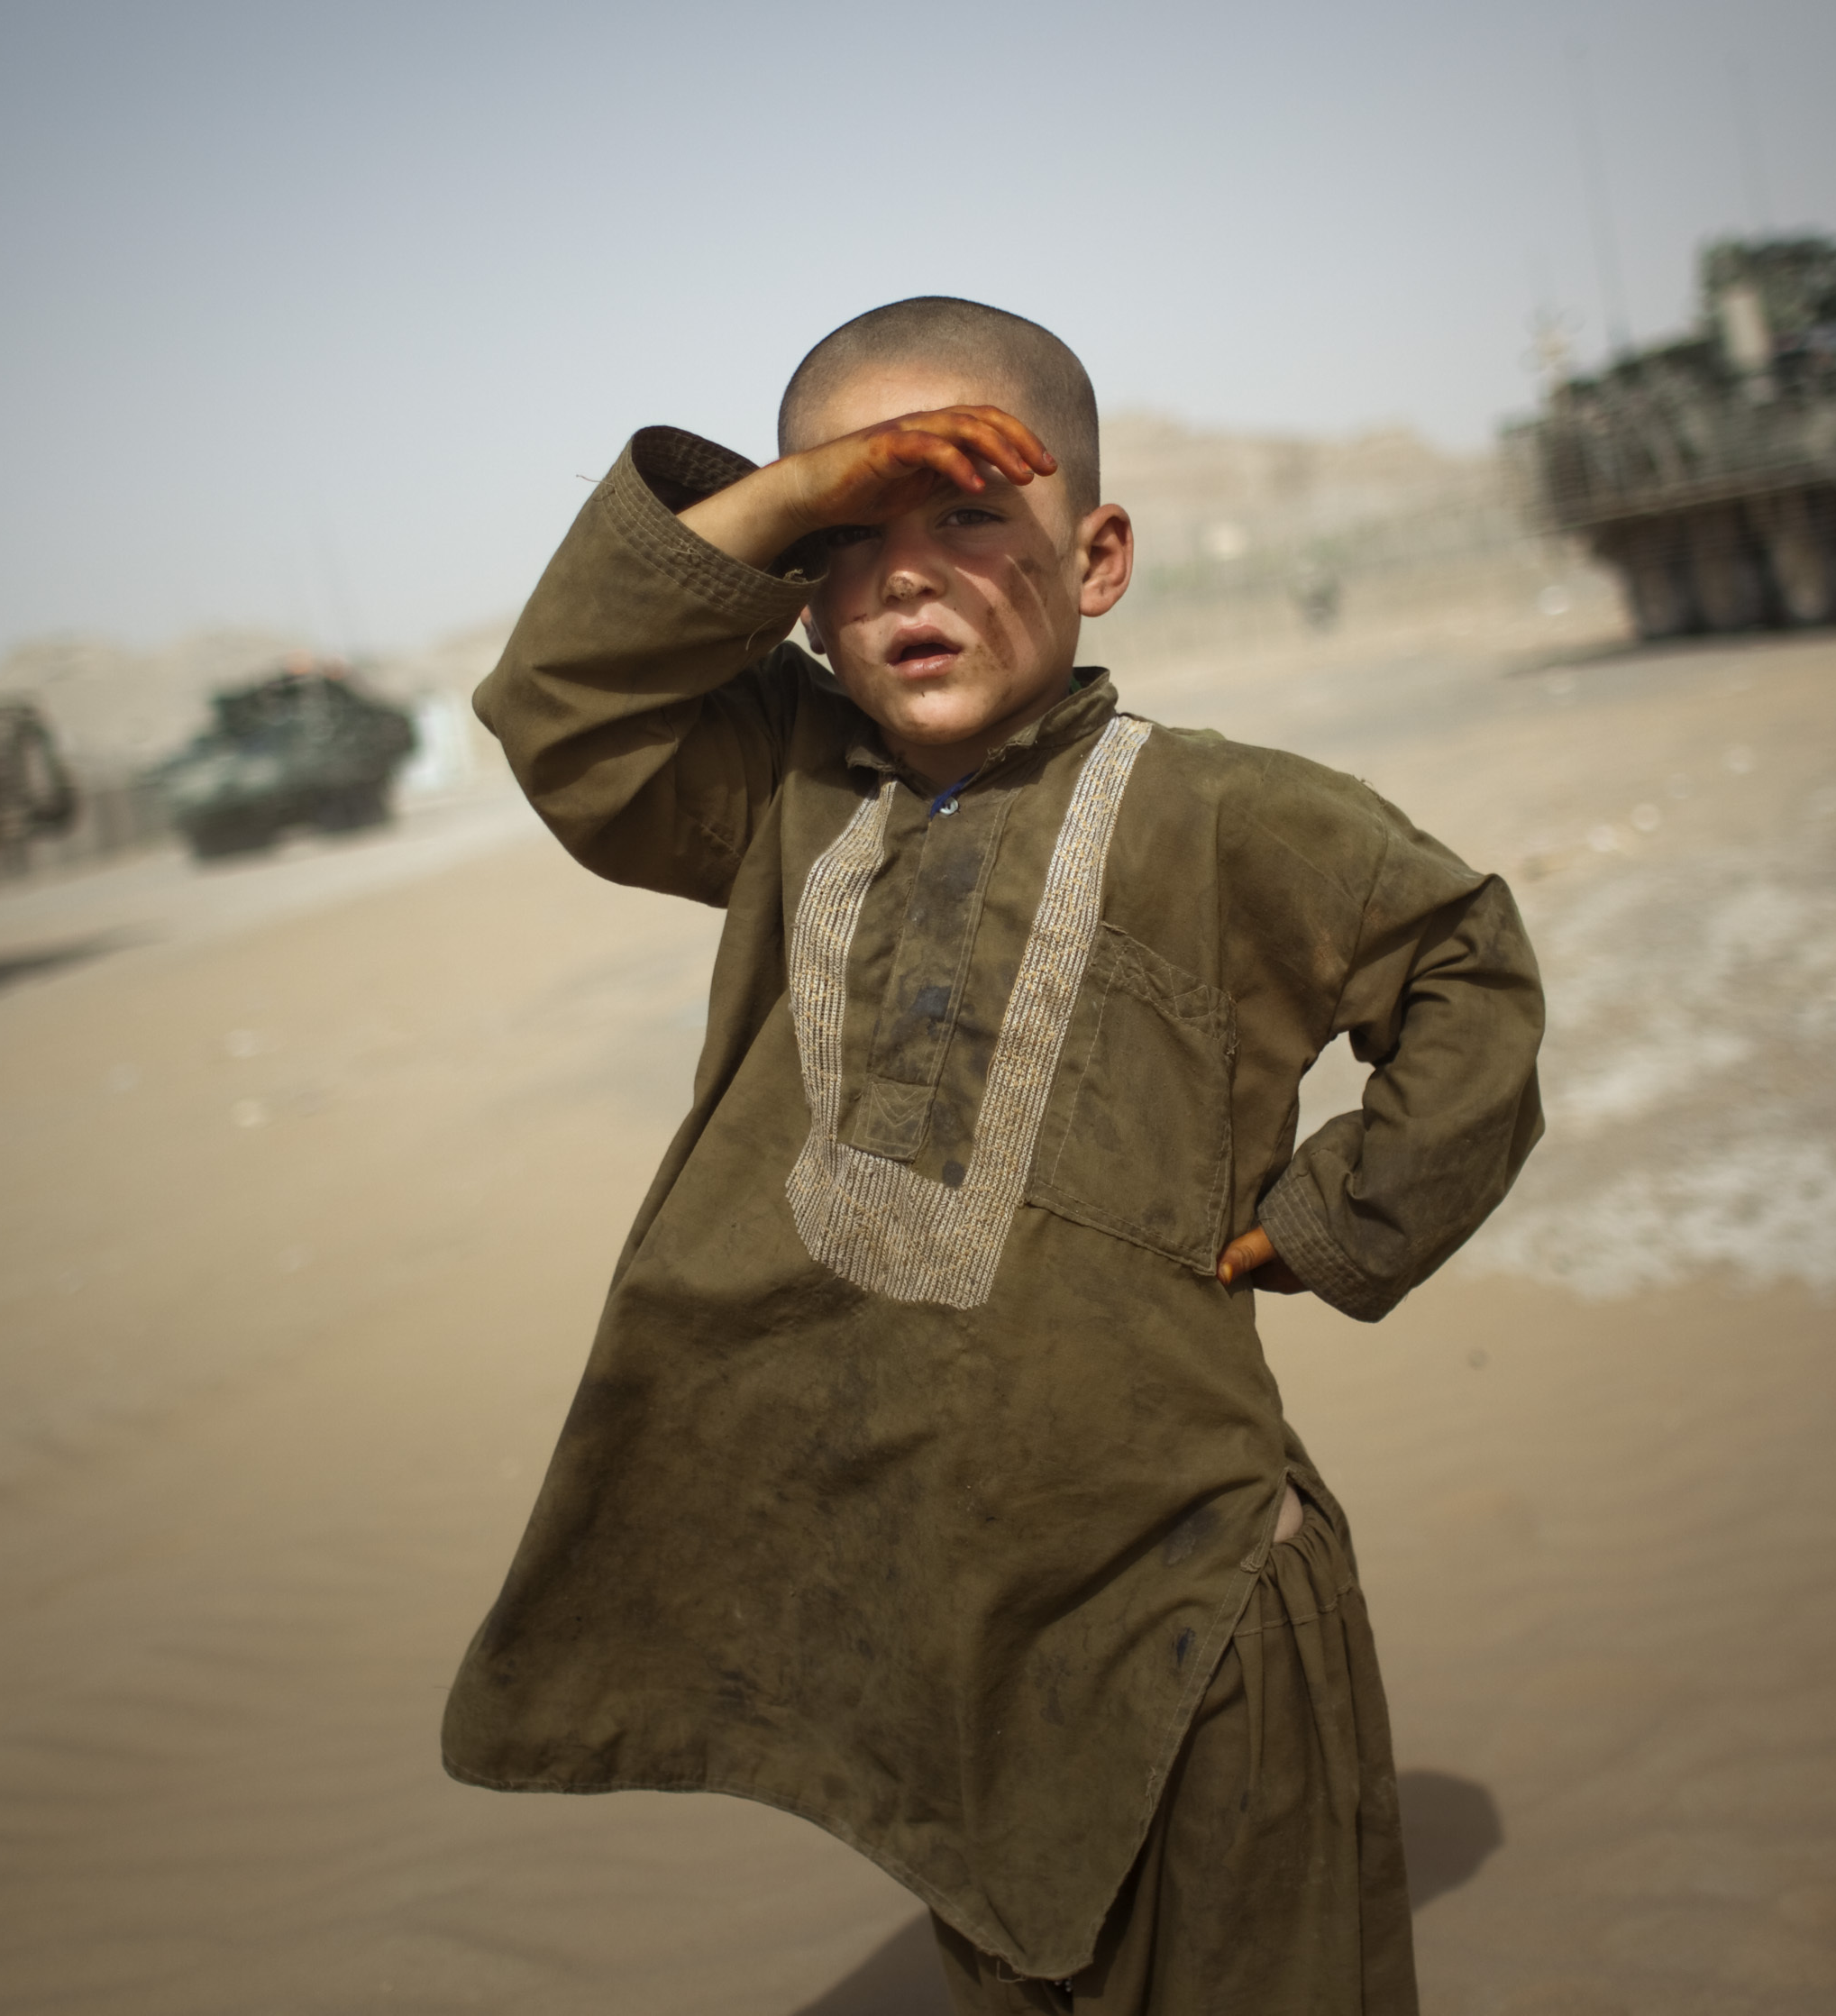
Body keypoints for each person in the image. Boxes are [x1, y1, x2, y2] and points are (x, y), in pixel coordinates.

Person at [443, 296, 1547, 2014]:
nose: (905, 574)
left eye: (971, 512)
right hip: (942, 1649)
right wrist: (786, 490)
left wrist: (1344, 1218)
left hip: (1187, 1622)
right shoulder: (776, 797)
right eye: (850, 535)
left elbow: (1467, 962)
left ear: (1099, 556)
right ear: (800, 585)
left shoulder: (1228, 814)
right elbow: (563, 707)